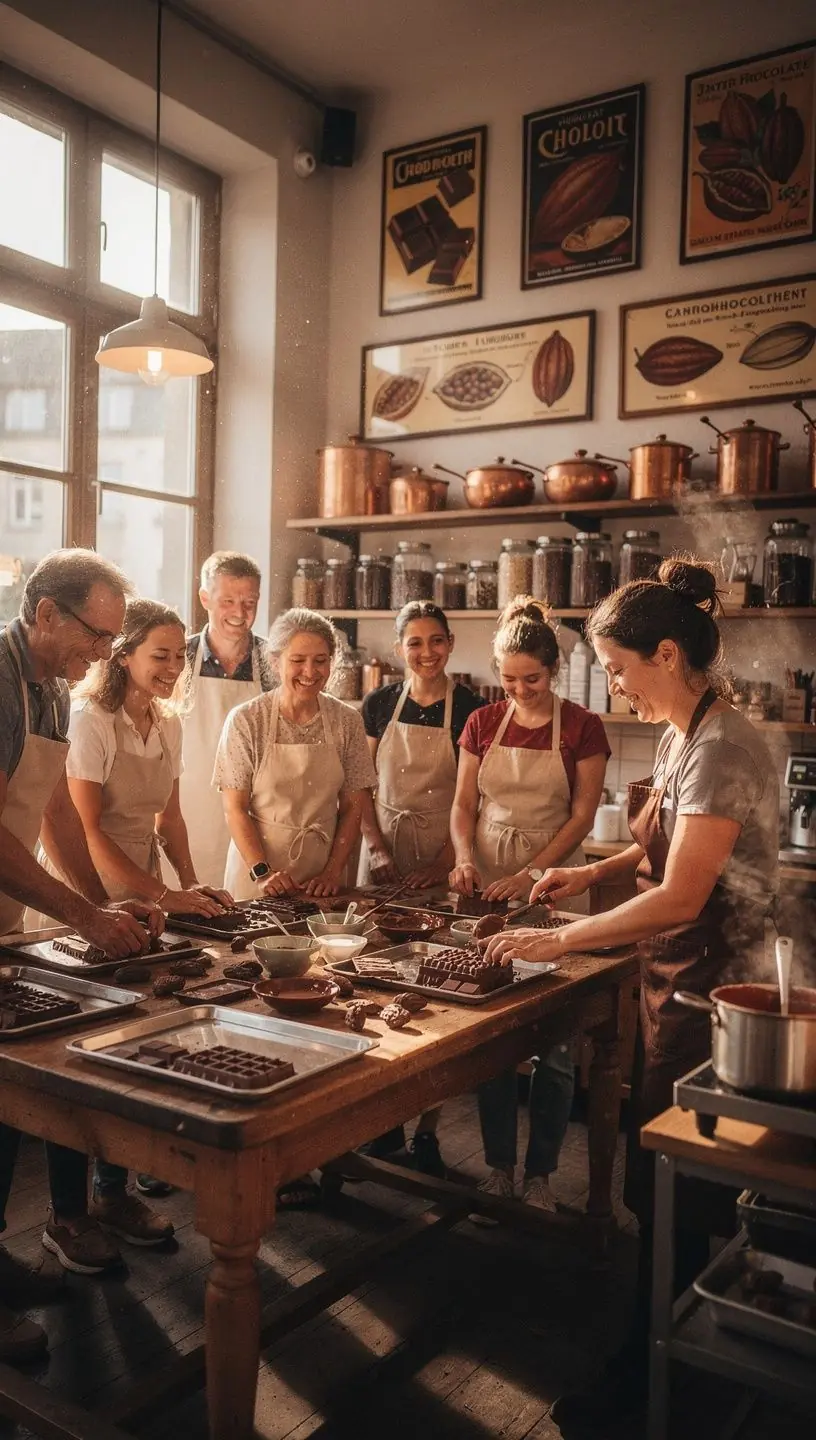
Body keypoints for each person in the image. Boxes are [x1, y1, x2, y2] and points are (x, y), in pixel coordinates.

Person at [481, 561, 779, 1431]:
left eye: (617, 668)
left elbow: (683, 894)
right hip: (673, 977)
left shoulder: (722, 746)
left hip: (712, 988)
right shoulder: (685, 732)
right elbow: (656, 850)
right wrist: (585, 875)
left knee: (679, 1188)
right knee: (663, 1181)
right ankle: (661, 1350)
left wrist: (559, 939)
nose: (611, 683)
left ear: (667, 653)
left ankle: (668, 1380)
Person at [0, 550, 163, 1361]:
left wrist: (99, 909)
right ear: (44, 613)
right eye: (96, 637)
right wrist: (81, 916)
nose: (102, 655)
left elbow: (56, 812)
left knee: (6, 1101)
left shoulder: (52, 690)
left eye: (110, 641)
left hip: (5, 919)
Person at [41, 598, 233, 1245]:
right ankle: (68, 1211)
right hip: (81, 891)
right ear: (122, 654)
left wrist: (188, 884)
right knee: (72, 1053)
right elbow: (87, 830)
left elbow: (168, 819)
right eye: (161, 655)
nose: (174, 667)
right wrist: (132, 899)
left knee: (132, 1038)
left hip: (142, 897)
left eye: (180, 655)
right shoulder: (91, 721)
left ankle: (112, 1192)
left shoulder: (167, 722)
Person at [449, 598, 609, 1217]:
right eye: (509, 679)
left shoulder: (582, 727)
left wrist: (533, 873)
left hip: (555, 884)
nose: (519, 691)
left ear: (554, 670)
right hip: (488, 884)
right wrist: (465, 858)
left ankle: (540, 1176)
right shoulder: (482, 722)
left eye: (532, 680)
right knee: (489, 1033)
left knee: (557, 1045)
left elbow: (583, 816)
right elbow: (464, 806)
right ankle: (498, 1169)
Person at [215, 608, 376, 1207]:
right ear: (275, 660)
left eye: (321, 661)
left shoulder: (345, 720)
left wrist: (334, 871)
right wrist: (263, 871)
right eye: (298, 660)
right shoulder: (248, 719)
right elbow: (234, 807)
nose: (310, 672)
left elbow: (355, 804)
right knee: (258, 1006)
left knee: (323, 1007)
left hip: (323, 887)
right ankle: (257, 1146)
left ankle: (319, 1142)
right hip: (260, 880)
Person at [359, 601, 487, 1176]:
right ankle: (382, 1123)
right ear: (399, 649)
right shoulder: (378, 703)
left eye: (436, 641)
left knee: (438, 993)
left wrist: (442, 864)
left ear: (451, 643)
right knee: (377, 985)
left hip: (444, 860)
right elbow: (361, 788)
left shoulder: (474, 710)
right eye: (414, 642)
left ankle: (428, 1129)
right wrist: (378, 851)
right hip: (383, 859)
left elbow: (473, 800)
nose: (426, 652)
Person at [181, 552, 272, 888]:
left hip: (252, 819)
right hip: (185, 814)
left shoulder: (272, 662)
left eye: (249, 603)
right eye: (228, 601)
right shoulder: (179, 656)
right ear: (205, 598)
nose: (239, 613)